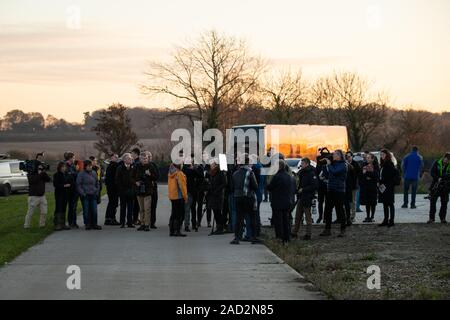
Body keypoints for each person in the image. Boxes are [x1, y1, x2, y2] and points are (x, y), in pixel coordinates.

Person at [230, 154, 259, 245]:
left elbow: (232, 186)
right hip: (248, 197)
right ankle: (253, 237)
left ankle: (237, 237)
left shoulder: (235, 173)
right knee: (252, 217)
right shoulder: (250, 172)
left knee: (239, 218)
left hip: (238, 197)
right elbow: (255, 186)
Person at [320, 150, 348, 237]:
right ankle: (327, 230)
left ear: (339, 156)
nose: (333, 156)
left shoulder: (343, 164)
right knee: (327, 210)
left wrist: (329, 165)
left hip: (339, 190)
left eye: (334, 154)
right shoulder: (333, 164)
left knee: (340, 210)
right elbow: (328, 174)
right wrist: (325, 166)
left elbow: (335, 172)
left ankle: (343, 230)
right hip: (330, 189)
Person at [267, 159, 294, 244]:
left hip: (278, 202)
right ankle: (287, 238)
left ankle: (280, 238)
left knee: (278, 221)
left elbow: (270, 187)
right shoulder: (289, 176)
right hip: (287, 201)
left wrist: (267, 184)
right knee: (286, 221)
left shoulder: (277, 176)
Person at [292, 158, 318, 240]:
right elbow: (298, 182)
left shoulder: (311, 173)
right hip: (301, 197)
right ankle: (294, 232)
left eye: (302, 163)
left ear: (307, 164)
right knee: (298, 216)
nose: (301, 165)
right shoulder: (301, 172)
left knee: (308, 217)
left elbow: (314, 186)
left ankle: (308, 234)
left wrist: (304, 189)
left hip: (307, 197)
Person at [132, 151, 157, 232]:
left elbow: (156, 177)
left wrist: (150, 174)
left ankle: (147, 224)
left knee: (147, 208)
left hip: (148, 190)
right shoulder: (136, 167)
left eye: (146, 158)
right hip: (139, 190)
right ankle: (142, 224)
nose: (145, 160)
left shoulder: (151, 166)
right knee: (141, 209)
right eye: (143, 158)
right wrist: (136, 182)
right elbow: (131, 177)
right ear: (140, 159)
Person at [24, 161, 51, 229]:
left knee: (44, 212)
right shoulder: (30, 173)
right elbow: (33, 181)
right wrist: (40, 174)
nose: (40, 167)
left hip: (42, 196)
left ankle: (42, 225)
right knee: (30, 212)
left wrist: (44, 172)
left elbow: (49, 179)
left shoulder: (42, 173)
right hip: (33, 196)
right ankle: (26, 226)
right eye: (39, 166)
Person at [76, 160, 102, 230]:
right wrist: (83, 193)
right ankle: (87, 224)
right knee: (86, 210)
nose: (90, 167)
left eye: (91, 166)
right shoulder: (81, 174)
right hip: (85, 195)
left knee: (94, 210)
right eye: (88, 166)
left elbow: (97, 183)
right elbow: (78, 185)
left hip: (93, 194)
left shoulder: (94, 173)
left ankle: (95, 224)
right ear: (85, 166)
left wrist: (97, 191)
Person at [378, 149, 400, 227]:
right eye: (381, 155)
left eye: (383, 154)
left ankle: (391, 220)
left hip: (389, 187)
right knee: (385, 204)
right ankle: (385, 220)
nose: (382, 156)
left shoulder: (389, 164)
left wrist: (382, 181)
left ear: (387, 155)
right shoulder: (383, 164)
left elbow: (390, 176)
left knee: (390, 203)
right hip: (383, 187)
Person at [427, 153, 450, 224]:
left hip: (446, 187)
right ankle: (431, 218)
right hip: (435, 186)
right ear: (444, 158)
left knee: (444, 203)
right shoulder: (437, 162)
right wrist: (437, 178)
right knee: (432, 202)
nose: (447, 161)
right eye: (446, 159)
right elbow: (432, 172)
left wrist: (443, 177)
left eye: (449, 160)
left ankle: (443, 218)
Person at [206, 160, 227, 235]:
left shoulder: (221, 173)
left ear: (216, 165)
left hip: (218, 195)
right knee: (215, 211)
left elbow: (224, 183)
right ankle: (219, 227)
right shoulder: (211, 173)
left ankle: (220, 227)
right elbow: (210, 183)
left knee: (218, 211)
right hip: (212, 194)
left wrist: (217, 190)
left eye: (212, 165)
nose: (211, 166)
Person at [168, 163, 188, 237]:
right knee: (180, 214)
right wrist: (185, 197)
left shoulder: (171, 173)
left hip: (173, 196)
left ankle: (172, 230)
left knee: (174, 213)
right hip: (179, 196)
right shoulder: (179, 173)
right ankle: (178, 230)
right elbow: (182, 186)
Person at [116, 153, 135, 228]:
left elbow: (135, 179)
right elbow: (117, 180)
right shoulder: (120, 168)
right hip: (123, 191)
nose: (130, 159)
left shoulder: (133, 168)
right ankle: (122, 222)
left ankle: (130, 222)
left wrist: (133, 189)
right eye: (128, 158)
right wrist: (121, 190)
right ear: (124, 160)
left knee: (130, 208)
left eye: (131, 158)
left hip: (131, 190)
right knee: (123, 207)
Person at [360, 153, 379, 223]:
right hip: (366, 186)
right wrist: (367, 175)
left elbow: (376, 176)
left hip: (373, 186)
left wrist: (367, 173)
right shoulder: (364, 165)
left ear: (372, 159)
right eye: (366, 158)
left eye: (369, 158)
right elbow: (362, 175)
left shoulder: (376, 166)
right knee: (367, 202)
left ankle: (372, 216)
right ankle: (367, 216)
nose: (367, 159)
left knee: (373, 202)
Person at [182, 156, 199, 232]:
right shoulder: (185, 169)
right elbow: (196, 173)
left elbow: (199, 175)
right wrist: (193, 169)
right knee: (188, 209)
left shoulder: (192, 169)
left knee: (191, 209)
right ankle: (187, 224)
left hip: (193, 191)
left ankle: (192, 224)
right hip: (188, 191)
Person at [53, 161, 71, 231]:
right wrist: (64, 185)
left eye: (65, 167)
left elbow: (70, 181)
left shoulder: (66, 174)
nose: (64, 168)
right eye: (62, 167)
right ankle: (57, 224)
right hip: (59, 194)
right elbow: (55, 184)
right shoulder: (56, 175)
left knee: (64, 208)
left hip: (65, 194)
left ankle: (63, 223)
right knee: (58, 208)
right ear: (59, 167)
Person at [64, 151, 80, 229]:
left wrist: (76, 171)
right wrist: (76, 172)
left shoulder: (73, 166)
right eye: (73, 158)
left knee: (73, 207)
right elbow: (67, 177)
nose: (74, 159)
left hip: (74, 189)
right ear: (70, 158)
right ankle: (68, 222)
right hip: (68, 189)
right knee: (69, 207)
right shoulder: (65, 166)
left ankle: (73, 222)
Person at [104, 153, 121, 226]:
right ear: (111, 158)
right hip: (113, 188)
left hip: (111, 188)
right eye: (115, 157)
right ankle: (112, 219)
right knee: (114, 203)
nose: (117, 158)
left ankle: (108, 219)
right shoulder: (113, 165)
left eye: (117, 157)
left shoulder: (110, 166)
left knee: (111, 203)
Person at [345, 151, 361, 223]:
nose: (348, 158)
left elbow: (358, 173)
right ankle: (347, 216)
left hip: (353, 185)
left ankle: (353, 216)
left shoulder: (355, 163)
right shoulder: (344, 163)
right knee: (346, 201)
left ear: (352, 156)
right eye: (347, 157)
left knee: (353, 201)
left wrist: (352, 169)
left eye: (349, 156)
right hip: (346, 185)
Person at [148, 152, 160, 229]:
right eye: (147, 156)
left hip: (153, 188)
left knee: (153, 206)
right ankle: (145, 222)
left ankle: (152, 222)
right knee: (146, 207)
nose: (149, 157)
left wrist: (150, 175)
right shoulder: (141, 166)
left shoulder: (154, 165)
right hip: (145, 189)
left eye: (150, 156)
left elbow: (157, 176)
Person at [131, 147, 141, 225]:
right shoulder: (134, 162)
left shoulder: (137, 163)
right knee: (136, 204)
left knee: (136, 204)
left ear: (136, 154)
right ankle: (136, 218)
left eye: (132, 154)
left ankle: (135, 219)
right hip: (135, 186)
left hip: (136, 186)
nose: (131, 155)